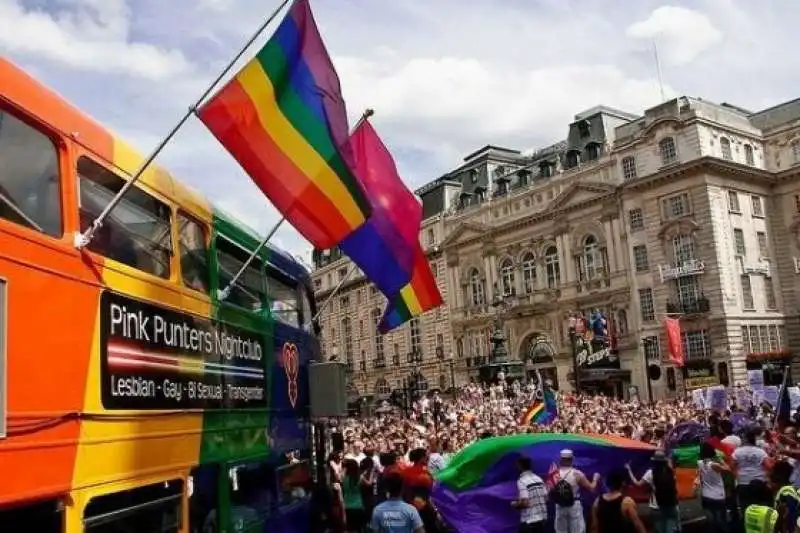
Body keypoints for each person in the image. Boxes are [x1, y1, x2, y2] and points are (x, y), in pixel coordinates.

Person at [627, 450, 680, 533]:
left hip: (657, 507)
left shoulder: (651, 473)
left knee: (659, 530)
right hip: (672, 505)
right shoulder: (670, 471)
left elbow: (638, 484)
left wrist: (629, 470)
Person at [552, 449, 600, 533]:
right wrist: (595, 478)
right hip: (574, 505)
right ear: (572, 459)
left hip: (560, 506)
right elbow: (592, 489)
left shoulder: (555, 474)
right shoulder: (577, 474)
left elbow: (549, 490)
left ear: (561, 459)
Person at [696, 441, 730, 533]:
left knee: (711, 520)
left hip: (706, 494)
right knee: (721, 520)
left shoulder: (699, 463)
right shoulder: (714, 465)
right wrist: (721, 460)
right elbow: (727, 469)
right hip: (718, 495)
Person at [511, 456, 548, 533]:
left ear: (520, 466)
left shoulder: (522, 481)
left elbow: (525, 503)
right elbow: (546, 498)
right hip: (541, 520)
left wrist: (515, 504)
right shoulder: (539, 479)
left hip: (529, 521)